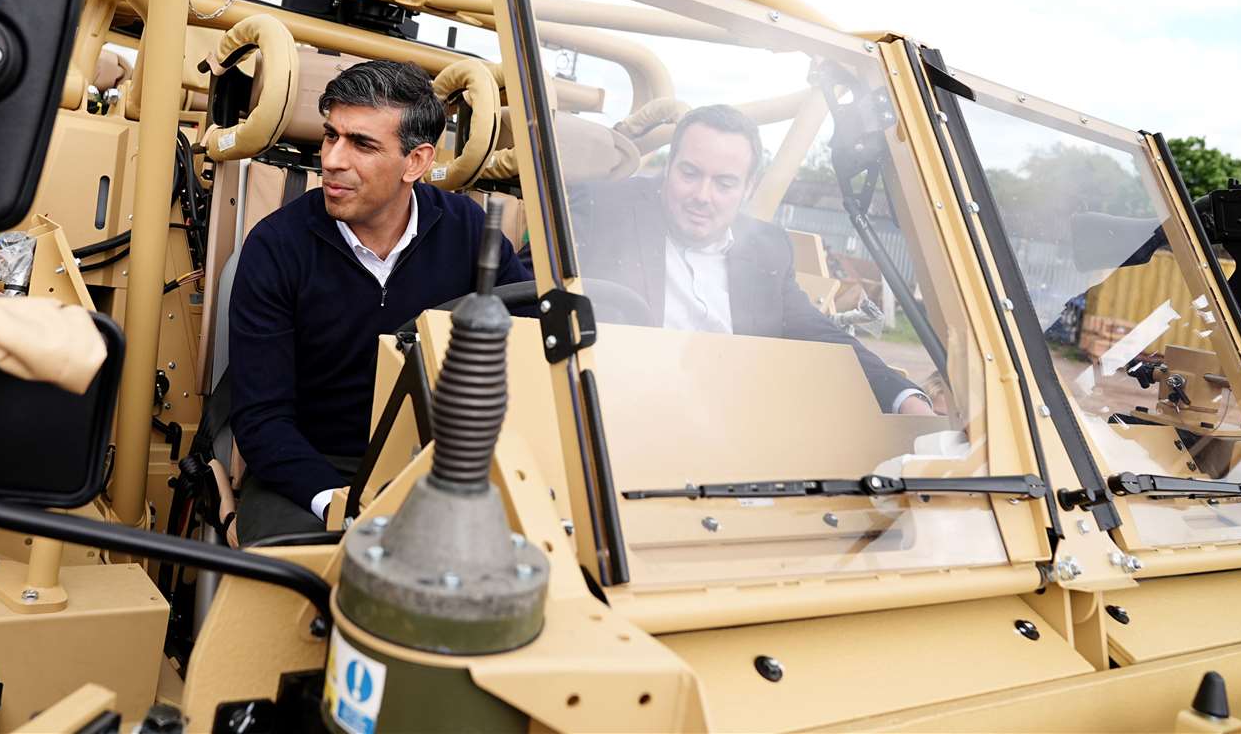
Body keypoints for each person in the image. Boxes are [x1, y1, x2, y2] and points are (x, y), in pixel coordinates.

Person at [225, 61, 532, 545]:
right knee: (295, 588)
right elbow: (263, 419)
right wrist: (338, 501)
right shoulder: (276, 247)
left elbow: (528, 333)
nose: (332, 160)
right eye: (331, 136)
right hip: (312, 470)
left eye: (362, 144)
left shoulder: (468, 230)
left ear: (416, 161)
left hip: (437, 463)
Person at [569, 104, 935, 415]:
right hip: (616, 421)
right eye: (690, 173)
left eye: (724, 184)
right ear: (669, 167)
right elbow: (529, 298)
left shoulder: (766, 249)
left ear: (748, 188)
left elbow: (819, 334)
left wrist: (904, 398)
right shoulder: (602, 211)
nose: (702, 195)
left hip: (732, 433)